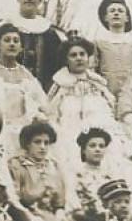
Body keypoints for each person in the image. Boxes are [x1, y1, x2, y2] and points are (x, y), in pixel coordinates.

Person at [46, 37, 117, 179]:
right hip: (70, 133)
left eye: (82, 54)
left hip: (99, 133)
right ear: (66, 60)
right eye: (73, 55)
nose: (78, 58)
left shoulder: (98, 83)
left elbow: (111, 106)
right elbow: (51, 112)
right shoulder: (60, 83)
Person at [0, 22, 48, 157]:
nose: (12, 44)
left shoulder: (27, 76)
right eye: (7, 40)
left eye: (16, 41)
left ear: (21, 47)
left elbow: (43, 106)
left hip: (22, 134)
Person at [8, 120, 68, 221]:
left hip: (51, 217)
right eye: (37, 142)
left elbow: (59, 200)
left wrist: (60, 215)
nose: (42, 147)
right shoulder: (16, 165)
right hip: (27, 217)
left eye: (46, 143)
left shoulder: (54, 166)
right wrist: (29, 216)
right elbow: (13, 198)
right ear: (27, 144)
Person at [94, 0, 132, 99]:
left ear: (126, 18)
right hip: (106, 95)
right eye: (112, 11)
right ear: (106, 17)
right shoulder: (98, 43)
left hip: (131, 95)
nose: (116, 13)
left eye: (120, 11)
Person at [72, 126, 114, 203]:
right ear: (84, 149)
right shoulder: (75, 174)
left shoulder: (110, 176)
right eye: (92, 145)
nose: (98, 149)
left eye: (101, 146)